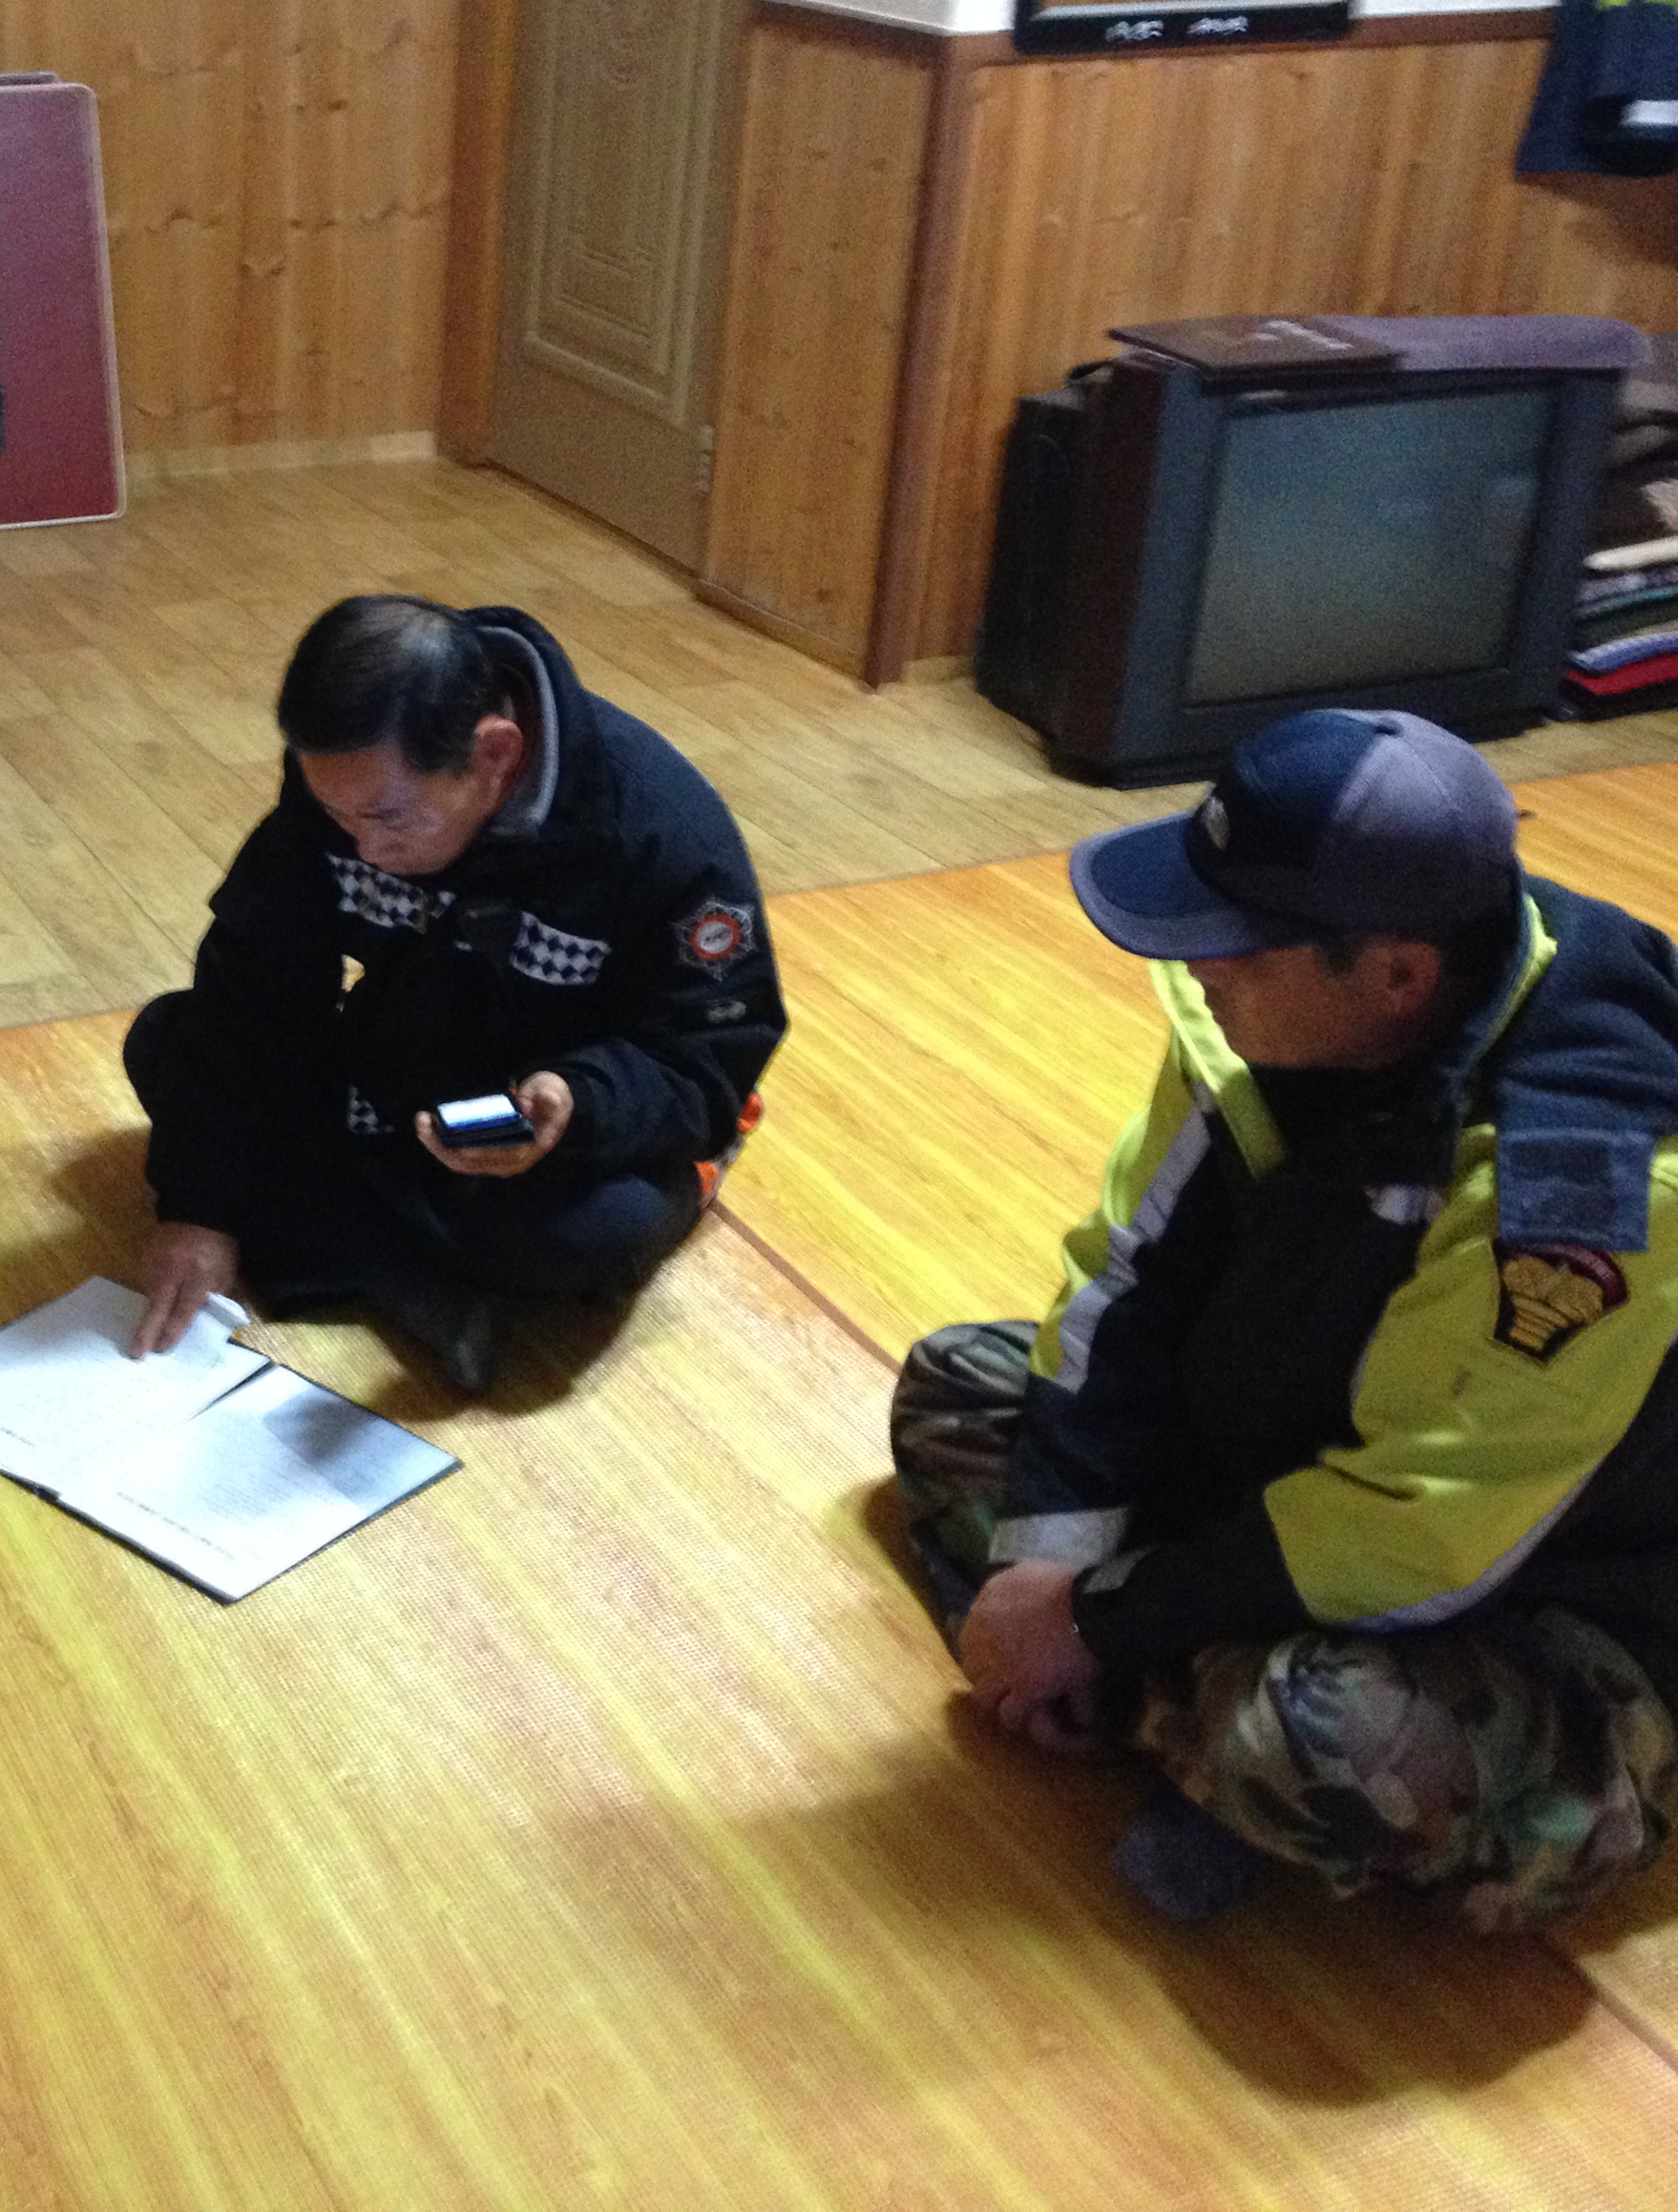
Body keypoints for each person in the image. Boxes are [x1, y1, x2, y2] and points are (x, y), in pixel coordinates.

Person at [892, 708, 1678, 1930]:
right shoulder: (1279, 1014)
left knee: (1314, 1742)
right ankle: (1165, 1711)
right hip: (1309, 1454)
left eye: (1239, 946)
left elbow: (1429, 1528)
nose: (1200, 966)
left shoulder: (1585, 1181)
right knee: (959, 1384)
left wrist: (1097, 1618)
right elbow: (1124, 1280)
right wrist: (1052, 1556)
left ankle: (1156, 1715)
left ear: (1399, 976)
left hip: (1556, 1590)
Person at [122, 594, 785, 1394]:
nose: (364, 846)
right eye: (336, 811)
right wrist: (199, 1207)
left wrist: (579, 1099)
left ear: (496, 753)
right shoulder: (351, 790)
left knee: (595, 1230)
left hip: (559, 1116)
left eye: (388, 817)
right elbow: (252, 991)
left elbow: (705, 1061)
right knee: (165, 1043)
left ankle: (347, 1245)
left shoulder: (662, 832)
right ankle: (417, 1271)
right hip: (405, 1067)